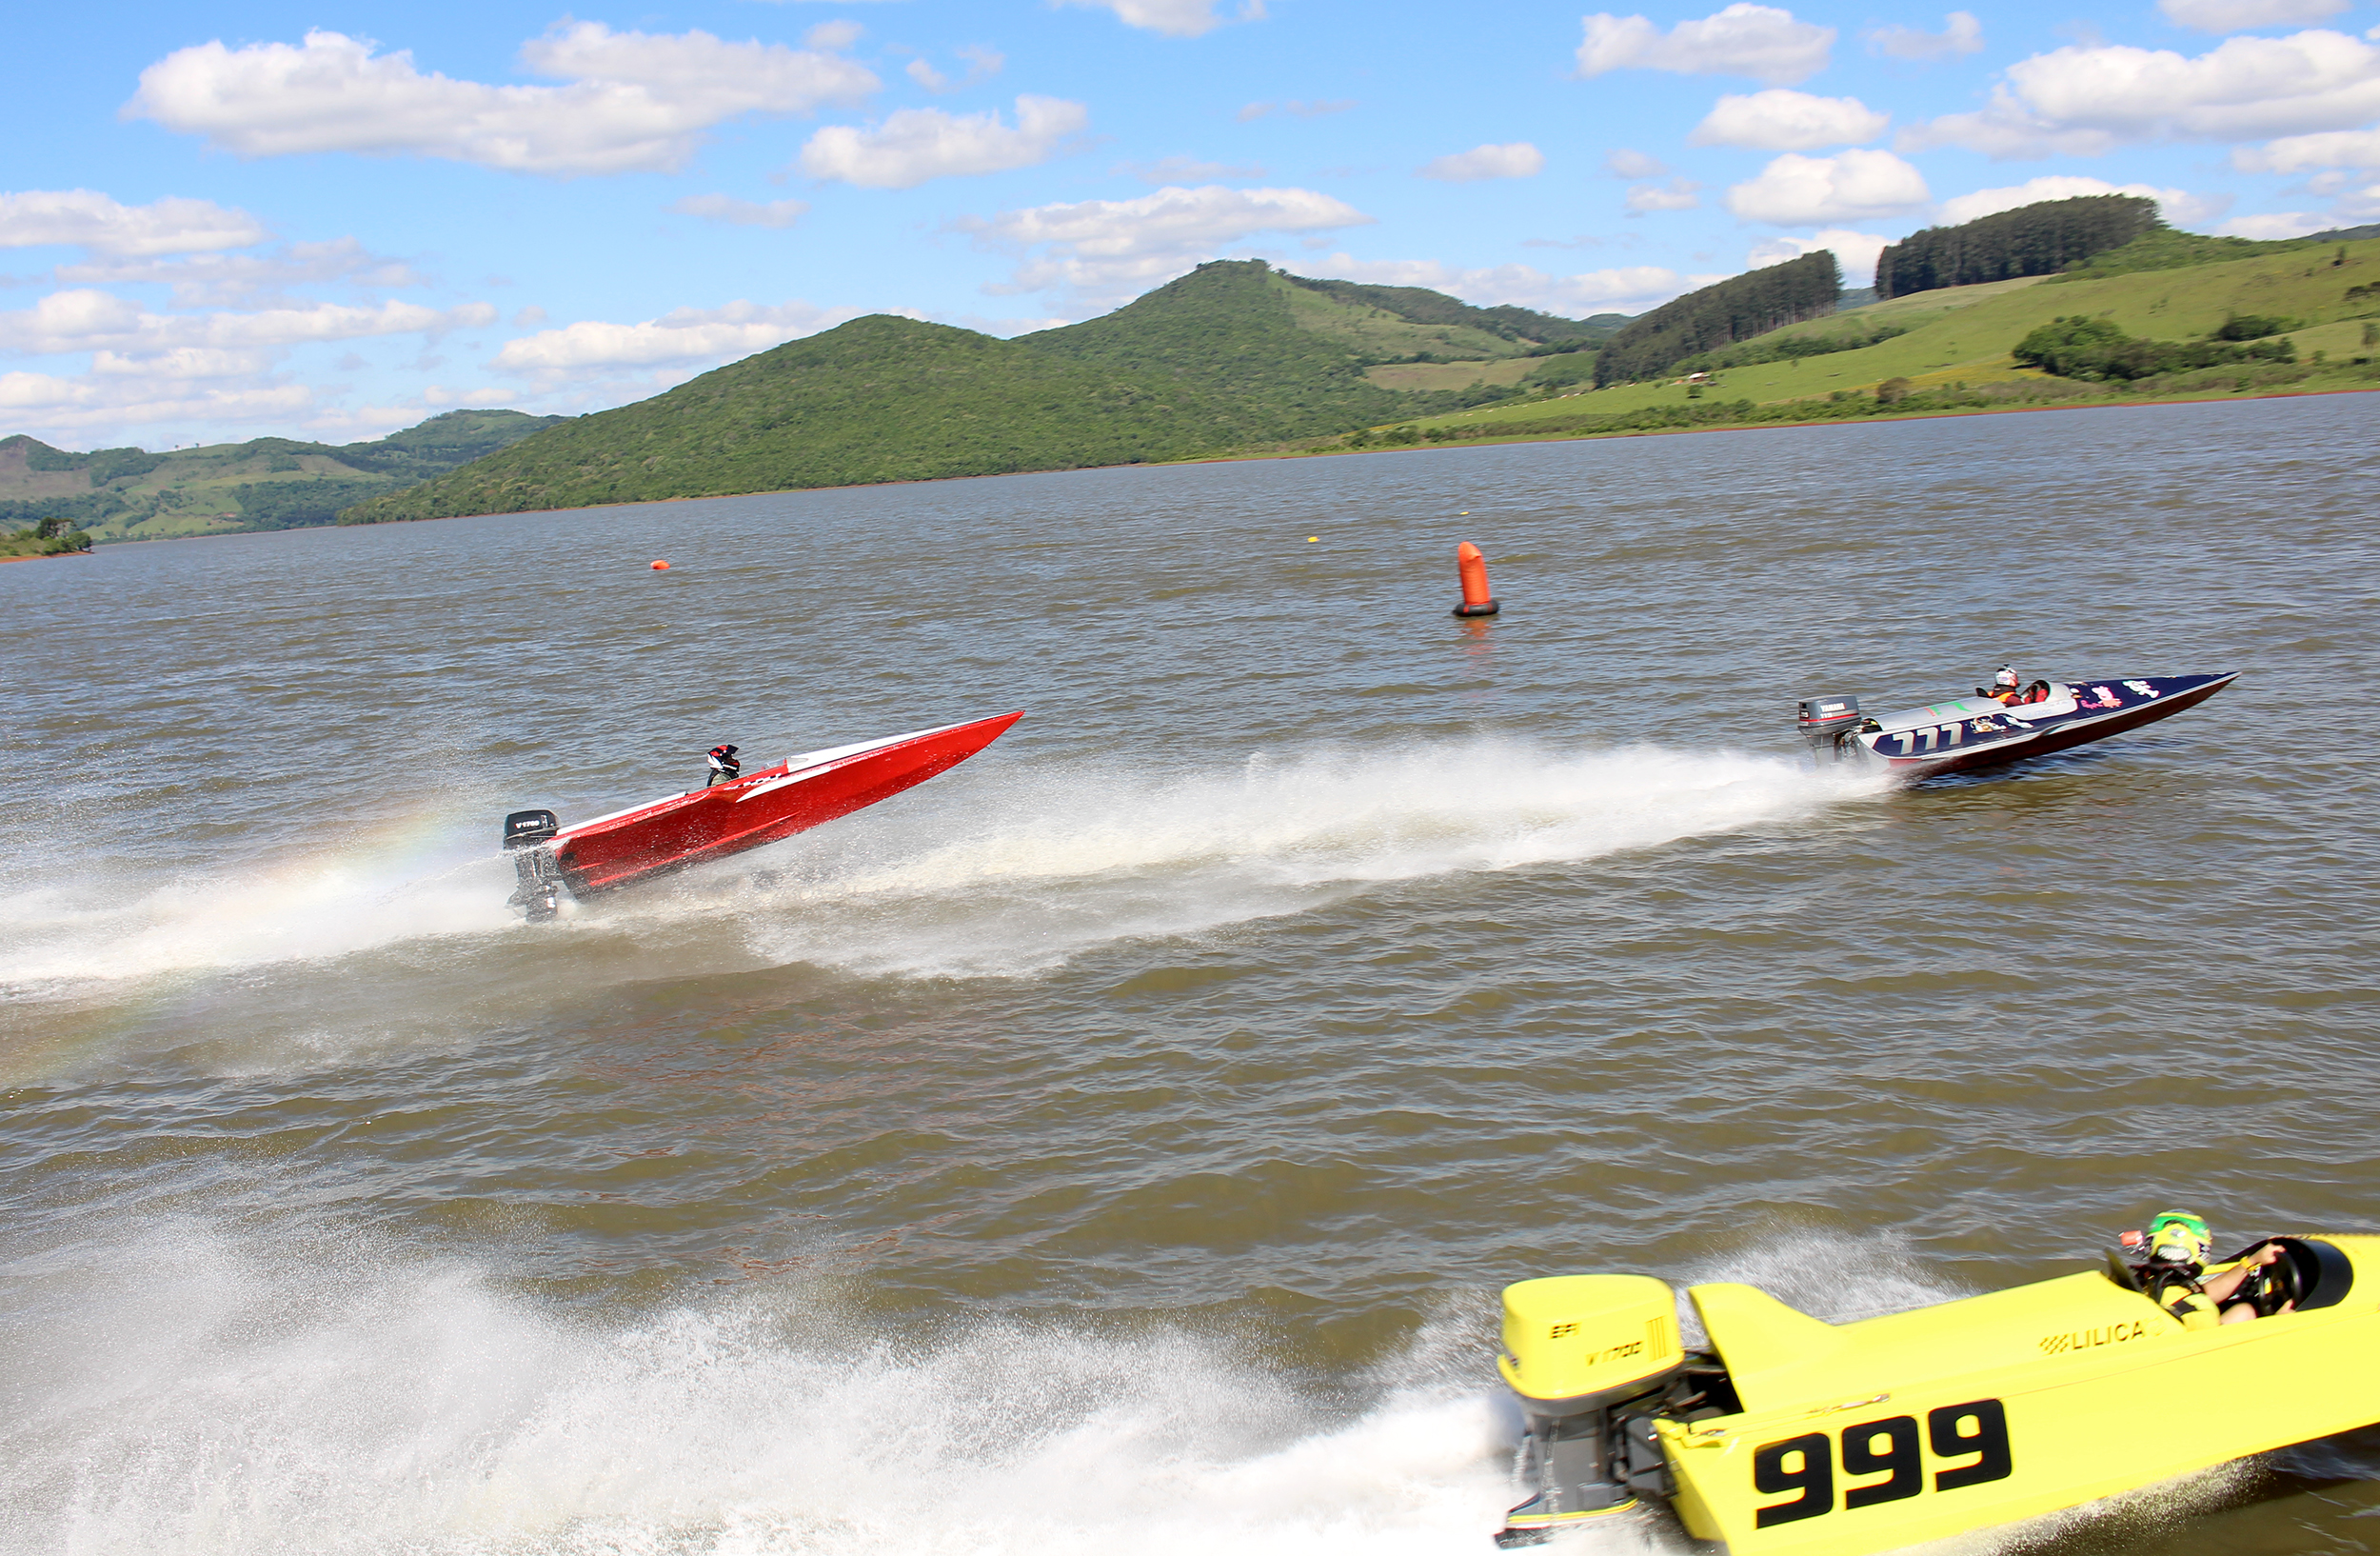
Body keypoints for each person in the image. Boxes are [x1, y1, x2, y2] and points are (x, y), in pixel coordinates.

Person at [2123, 1210, 2291, 1327]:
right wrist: (2280, 1321)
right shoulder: (2201, 1311)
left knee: (2244, 1310)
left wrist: (2251, 1262)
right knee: (2246, 1311)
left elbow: (2199, 1294)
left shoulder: (2144, 1282)